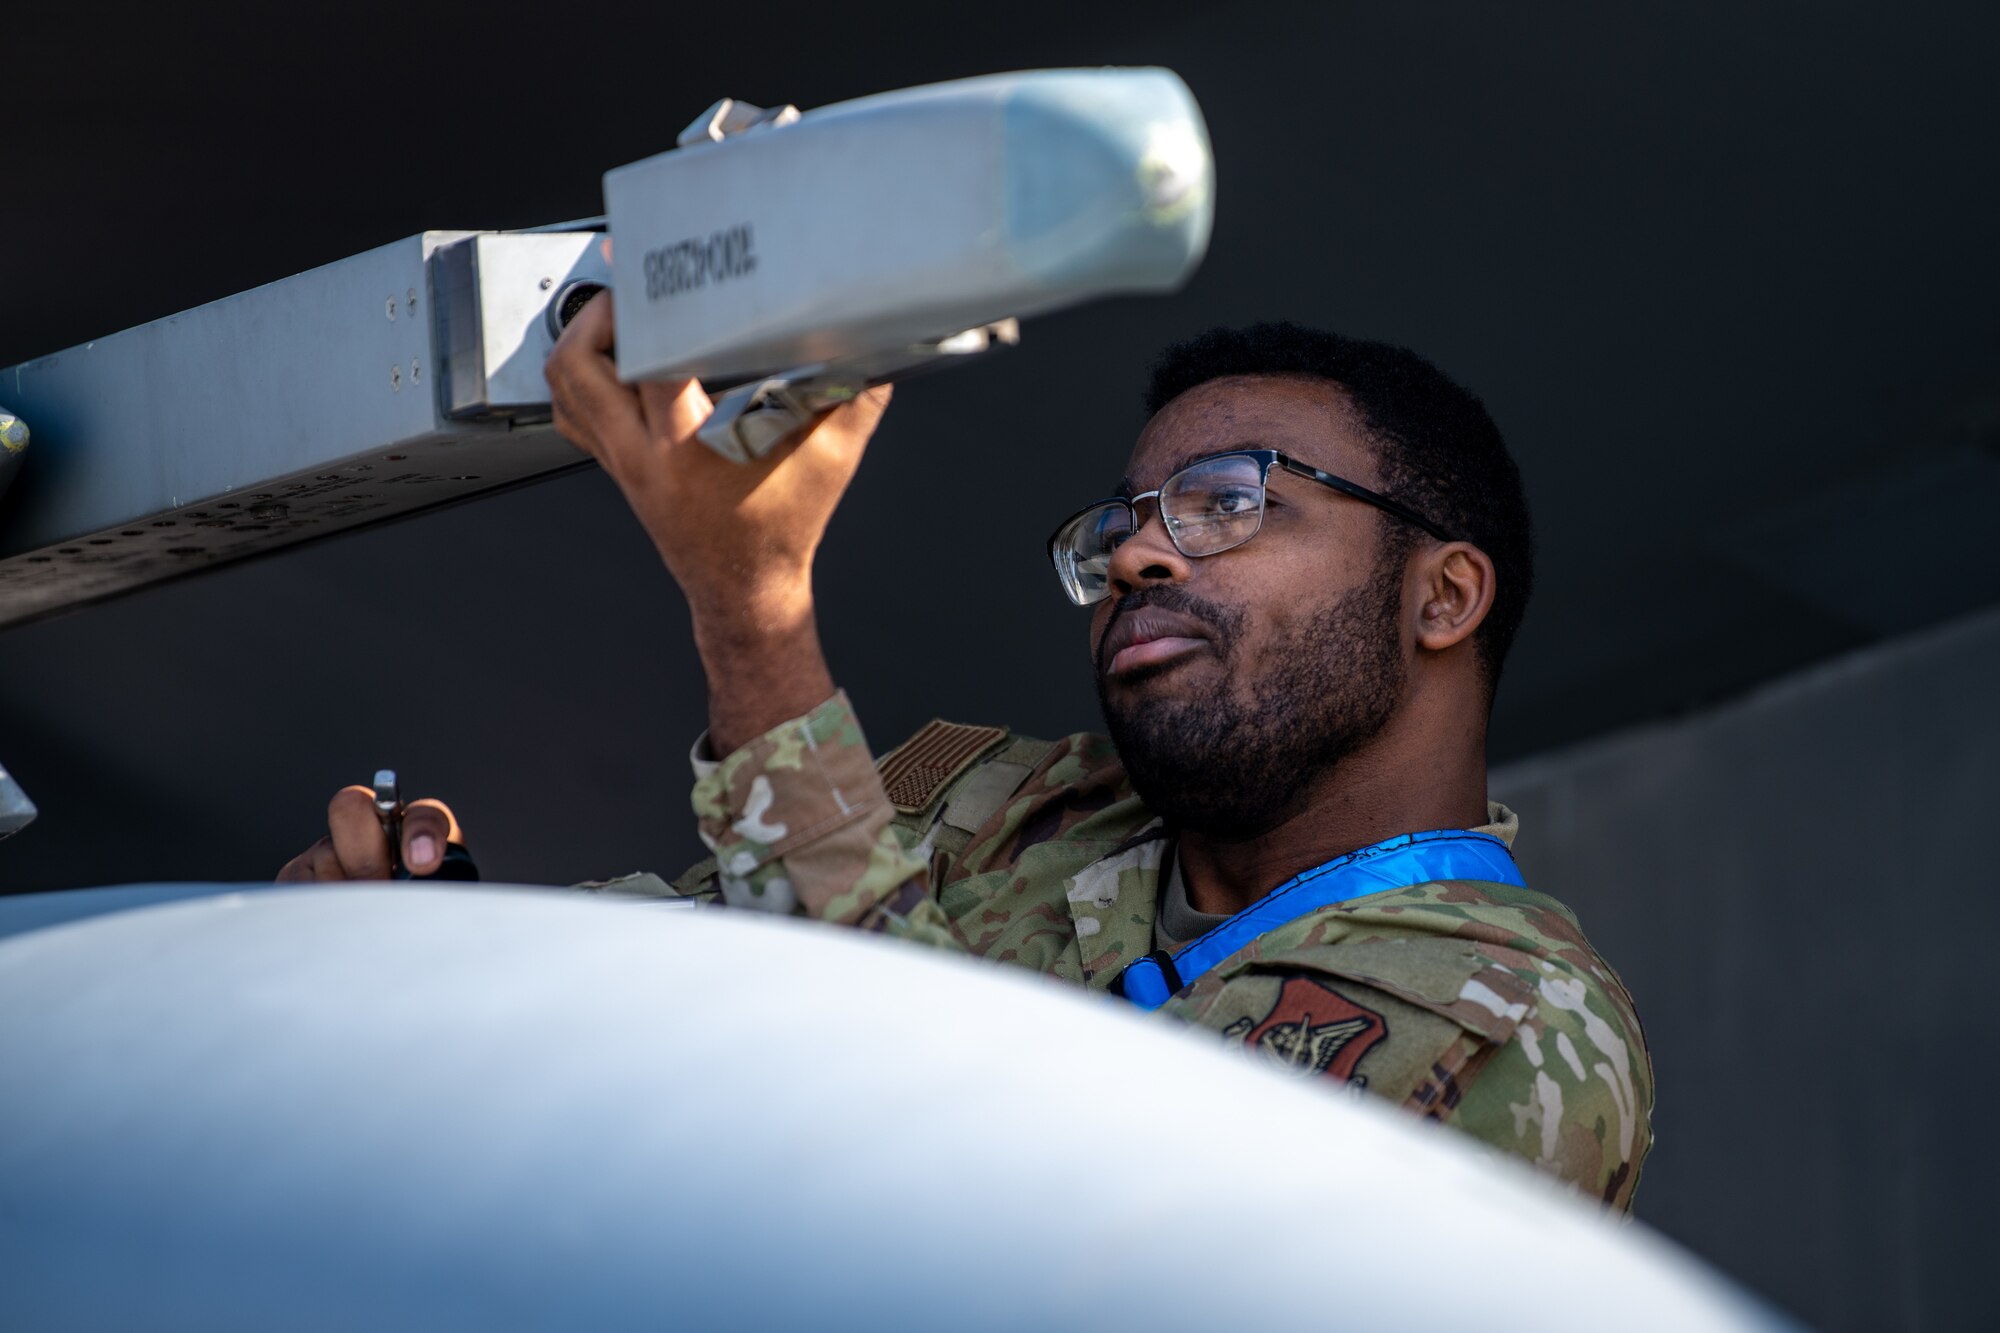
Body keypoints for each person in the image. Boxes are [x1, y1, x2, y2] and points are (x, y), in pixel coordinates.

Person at [281, 308, 1653, 1212]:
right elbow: (685, 1003)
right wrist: (434, 954)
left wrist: (753, 612)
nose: (1135, 552)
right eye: (1119, 525)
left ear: (1443, 598)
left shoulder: (1510, 1026)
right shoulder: (1019, 801)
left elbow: (965, 1242)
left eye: (1231, 501)